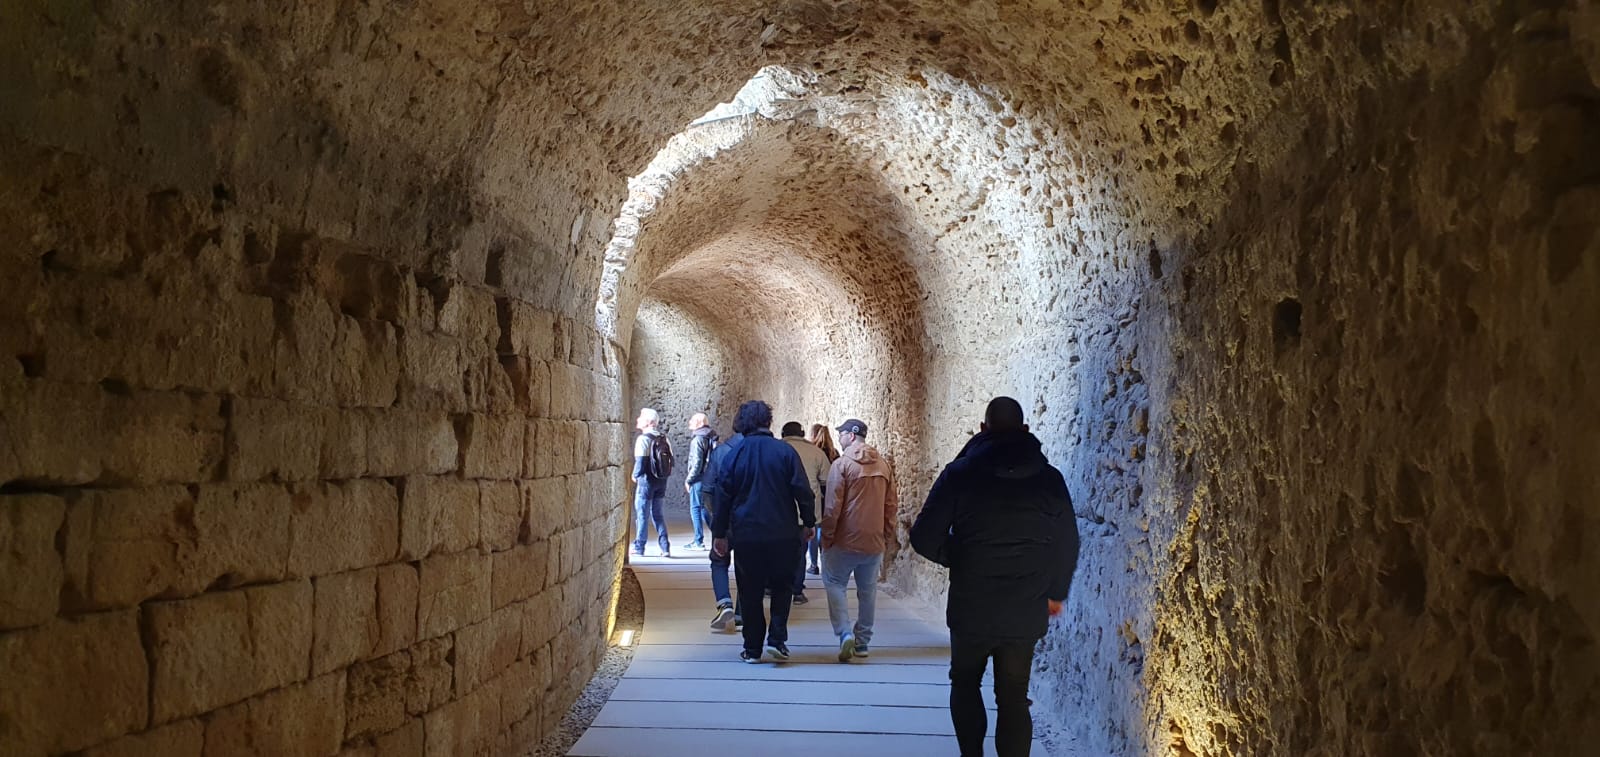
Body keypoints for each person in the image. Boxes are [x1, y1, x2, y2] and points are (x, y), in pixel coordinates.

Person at [909, 397, 1080, 757]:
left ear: (983, 430)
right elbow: (1067, 542)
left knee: (966, 682)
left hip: (972, 606)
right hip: (1025, 606)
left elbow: (924, 537)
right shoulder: (1050, 480)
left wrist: (960, 556)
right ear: (1025, 430)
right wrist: (1055, 592)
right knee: (1014, 697)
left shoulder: (959, 474)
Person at [711, 400, 816, 663]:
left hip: (747, 535)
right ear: (768, 421)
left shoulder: (734, 454)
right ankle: (777, 640)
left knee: (750, 590)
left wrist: (720, 533)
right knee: (782, 586)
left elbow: (722, 497)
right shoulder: (785, 452)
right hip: (783, 533)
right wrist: (809, 522)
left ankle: (752, 648)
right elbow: (802, 490)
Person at [820, 418, 897, 662]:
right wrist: (885, 534)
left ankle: (844, 634)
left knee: (834, 582)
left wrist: (828, 536)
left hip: (844, 540)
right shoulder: (884, 466)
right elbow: (891, 505)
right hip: (873, 540)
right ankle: (862, 642)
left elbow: (832, 506)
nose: (840, 438)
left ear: (851, 436)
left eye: (841, 433)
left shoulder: (841, 465)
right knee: (868, 590)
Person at [781, 421, 831, 600]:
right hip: (807, 512)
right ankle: (797, 590)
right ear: (802, 433)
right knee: (800, 551)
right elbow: (826, 481)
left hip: (781, 511)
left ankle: (774, 586)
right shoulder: (816, 452)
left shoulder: (777, 449)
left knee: (778, 551)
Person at [702, 424, 744, 631]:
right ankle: (742, 613)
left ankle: (724, 602)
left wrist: (715, 519)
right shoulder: (762, 451)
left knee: (719, 562)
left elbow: (707, 489)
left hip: (725, 519)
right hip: (750, 521)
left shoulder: (721, 452)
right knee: (746, 567)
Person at [630, 407, 671, 558]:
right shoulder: (664, 438)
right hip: (661, 482)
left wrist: (635, 476)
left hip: (646, 483)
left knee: (642, 515)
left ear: (649, 422)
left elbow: (641, 462)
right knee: (658, 515)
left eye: (641, 417)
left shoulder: (643, 439)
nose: (637, 419)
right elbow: (670, 461)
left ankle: (639, 547)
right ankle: (665, 547)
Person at [682, 412, 718, 551]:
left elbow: (697, 462)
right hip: (709, 477)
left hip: (698, 479)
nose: (689, 422)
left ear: (699, 423)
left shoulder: (698, 439)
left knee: (695, 508)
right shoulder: (712, 437)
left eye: (692, 420)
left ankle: (698, 541)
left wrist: (689, 479)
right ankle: (718, 535)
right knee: (705, 509)